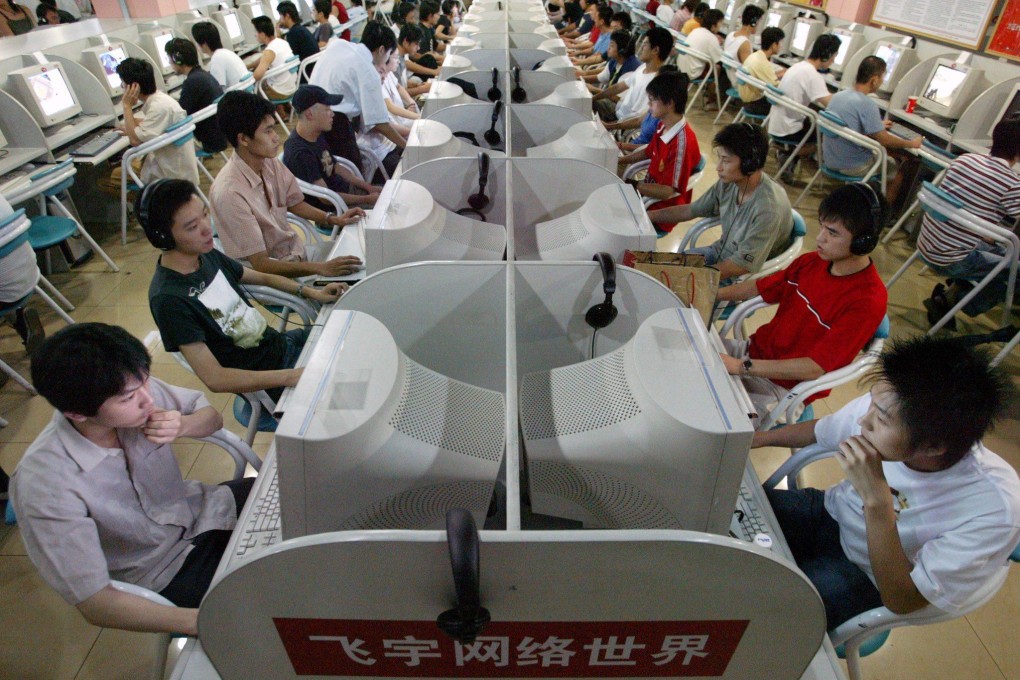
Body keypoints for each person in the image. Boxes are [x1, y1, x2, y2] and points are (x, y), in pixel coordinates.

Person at [753, 334, 1020, 631]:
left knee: (764, 613)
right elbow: (823, 430)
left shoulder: (994, 508)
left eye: (880, 419)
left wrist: (877, 501)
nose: (864, 422)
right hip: (827, 512)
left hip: (868, 574)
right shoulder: (886, 403)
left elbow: (904, 600)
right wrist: (760, 439)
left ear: (933, 447)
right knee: (728, 511)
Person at [9, 322, 247, 636]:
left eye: (145, 383)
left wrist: (184, 425)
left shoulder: (133, 385)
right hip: (162, 570)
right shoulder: (46, 483)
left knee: (300, 496)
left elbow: (211, 418)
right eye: (128, 399)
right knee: (270, 598)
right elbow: (96, 602)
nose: (147, 400)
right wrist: (204, 622)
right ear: (76, 414)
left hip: (204, 509)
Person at [142, 179, 348, 404]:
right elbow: (215, 379)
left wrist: (311, 292)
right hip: (271, 381)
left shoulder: (205, 254)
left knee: (352, 337)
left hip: (282, 347)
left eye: (204, 214)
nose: (206, 228)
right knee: (350, 391)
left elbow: (262, 277)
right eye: (192, 227)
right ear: (162, 237)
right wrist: (292, 377)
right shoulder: (169, 299)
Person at [716, 182, 888, 418]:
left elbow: (814, 367)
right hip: (752, 354)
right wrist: (710, 292)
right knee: (685, 356)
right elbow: (758, 287)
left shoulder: (867, 301)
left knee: (713, 422)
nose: (820, 238)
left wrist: (741, 367)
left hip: (783, 390)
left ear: (863, 242)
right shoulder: (812, 262)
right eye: (822, 227)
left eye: (833, 233)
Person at [211, 91, 365, 276]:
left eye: (273, 129)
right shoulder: (229, 193)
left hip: (297, 254)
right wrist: (320, 269)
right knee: (355, 276)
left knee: (361, 253)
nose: (276, 138)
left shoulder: (268, 162)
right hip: (277, 276)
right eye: (267, 131)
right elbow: (261, 265)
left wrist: (333, 219)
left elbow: (294, 203)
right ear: (243, 139)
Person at [918, 119, 1020, 330]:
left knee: (1002, 252)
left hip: (927, 246)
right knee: (1015, 271)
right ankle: (957, 303)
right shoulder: (1010, 183)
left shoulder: (964, 160)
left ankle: (951, 295)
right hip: (952, 259)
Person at [647, 123, 793, 270]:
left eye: (726, 160)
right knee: (658, 266)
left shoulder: (768, 209)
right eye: (719, 158)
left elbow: (741, 266)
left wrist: (692, 277)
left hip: (741, 276)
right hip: (719, 253)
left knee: (669, 275)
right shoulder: (729, 182)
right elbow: (691, 210)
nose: (718, 167)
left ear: (750, 164)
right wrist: (646, 216)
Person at [309, 21, 406, 174]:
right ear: (381, 50)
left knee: (327, 167)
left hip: (309, 112)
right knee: (349, 168)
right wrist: (406, 145)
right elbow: (379, 124)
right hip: (334, 121)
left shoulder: (339, 44)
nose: (387, 60)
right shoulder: (368, 71)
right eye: (389, 54)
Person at [823, 56, 923, 205]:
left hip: (830, 160)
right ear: (874, 80)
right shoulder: (867, 104)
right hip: (852, 166)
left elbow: (853, 127)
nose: (882, 81)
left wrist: (876, 124)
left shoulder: (839, 96)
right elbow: (885, 140)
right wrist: (911, 143)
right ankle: (884, 213)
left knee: (884, 152)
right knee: (901, 165)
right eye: (883, 77)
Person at [98, 58, 199, 196]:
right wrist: (131, 124)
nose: (122, 87)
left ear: (133, 87)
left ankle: (149, 203)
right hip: (176, 165)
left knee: (105, 179)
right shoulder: (160, 99)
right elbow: (153, 124)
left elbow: (134, 141)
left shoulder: (158, 108)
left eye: (123, 84)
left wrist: (127, 106)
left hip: (168, 173)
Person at [619, 71, 701, 225]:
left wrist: (633, 185)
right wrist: (620, 160)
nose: (649, 106)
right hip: (648, 191)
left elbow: (667, 191)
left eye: (652, 100)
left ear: (669, 103)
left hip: (659, 209)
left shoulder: (681, 144)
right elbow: (648, 151)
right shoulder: (664, 125)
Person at [284, 85, 382, 208]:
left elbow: (336, 167)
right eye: (327, 109)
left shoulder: (316, 134)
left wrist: (368, 187)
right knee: (388, 206)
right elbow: (326, 198)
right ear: (309, 114)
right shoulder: (300, 153)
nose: (332, 114)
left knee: (388, 194)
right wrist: (367, 199)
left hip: (346, 193)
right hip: (337, 208)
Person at [767, 33, 840, 181]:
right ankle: (789, 154)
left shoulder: (798, 66)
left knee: (815, 117)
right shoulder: (813, 75)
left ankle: (787, 154)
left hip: (777, 124)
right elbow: (831, 104)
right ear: (827, 55)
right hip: (789, 130)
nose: (834, 60)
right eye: (834, 56)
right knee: (828, 132)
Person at [592, 26, 672, 126]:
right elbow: (618, 87)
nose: (641, 47)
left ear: (655, 50)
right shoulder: (642, 68)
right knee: (586, 103)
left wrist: (610, 126)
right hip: (617, 114)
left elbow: (638, 120)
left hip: (621, 124)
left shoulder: (657, 83)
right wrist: (594, 98)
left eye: (645, 44)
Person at [164, 39, 228, 154]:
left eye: (169, 58)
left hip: (207, 141)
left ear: (177, 59)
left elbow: (178, 117)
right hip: (219, 136)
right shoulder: (202, 75)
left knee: (162, 140)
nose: (169, 62)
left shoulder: (192, 82)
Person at [737, 26, 785, 117]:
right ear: (774, 45)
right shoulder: (762, 63)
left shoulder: (755, 56)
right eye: (780, 43)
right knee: (788, 106)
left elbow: (766, 77)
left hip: (747, 102)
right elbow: (776, 88)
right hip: (755, 105)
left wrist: (777, 74)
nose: (781, 47)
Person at [251, 15, 298, 100]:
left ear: (262, 34)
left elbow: (256, 76)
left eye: (255, 32)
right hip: (292, 87)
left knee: (255, 90)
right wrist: (249, 65)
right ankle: (281, 110)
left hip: (280, 92)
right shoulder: (282, 42)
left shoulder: (269, 51)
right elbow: (263, 59)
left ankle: (272, 111)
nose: (255, 35)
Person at [192, 20, 248, 89]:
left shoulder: (217, 60)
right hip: (246, 94)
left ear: (204, 44)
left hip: (238, 97)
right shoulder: (226, 52)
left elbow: (218, 91)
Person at [581, 29, 640, 94]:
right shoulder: (614, 60)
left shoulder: (631, 69)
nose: (608, 48)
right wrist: (579, 78)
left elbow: (618, 99)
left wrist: (594, 90)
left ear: (622, 50)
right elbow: (600, 77)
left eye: (612, 46)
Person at [679, 9, 724, 89]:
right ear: (713, 26)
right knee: (718, 67)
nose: (721, 26)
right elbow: (719, 59)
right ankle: (713, 94)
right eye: (720, 22)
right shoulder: (711, 38)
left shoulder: (696, 30)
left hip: (681, 67)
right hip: (693, 73)